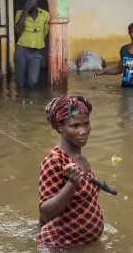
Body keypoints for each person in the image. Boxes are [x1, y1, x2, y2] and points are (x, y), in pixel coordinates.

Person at [37, 95, 103, 249]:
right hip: (59, 245)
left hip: (82, 245)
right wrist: (71, 184)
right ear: (60, 127)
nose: (83, 131)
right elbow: (46, 213)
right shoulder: (54, 161)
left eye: (86, 124)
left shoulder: (80, 157)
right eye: (75, 126)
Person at [13, 0, 50, 89]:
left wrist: (37, 43)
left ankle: (32, 103)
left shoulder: (44, 15)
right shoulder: (20, 13)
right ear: (25, 1)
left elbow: (45, 33)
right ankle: (21, 103)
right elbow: (17, 31)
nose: (31, 1)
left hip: (35, 53)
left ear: (37, 0)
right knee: (20, 83)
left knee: (33, 82)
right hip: (21, 51)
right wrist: (25, 13)